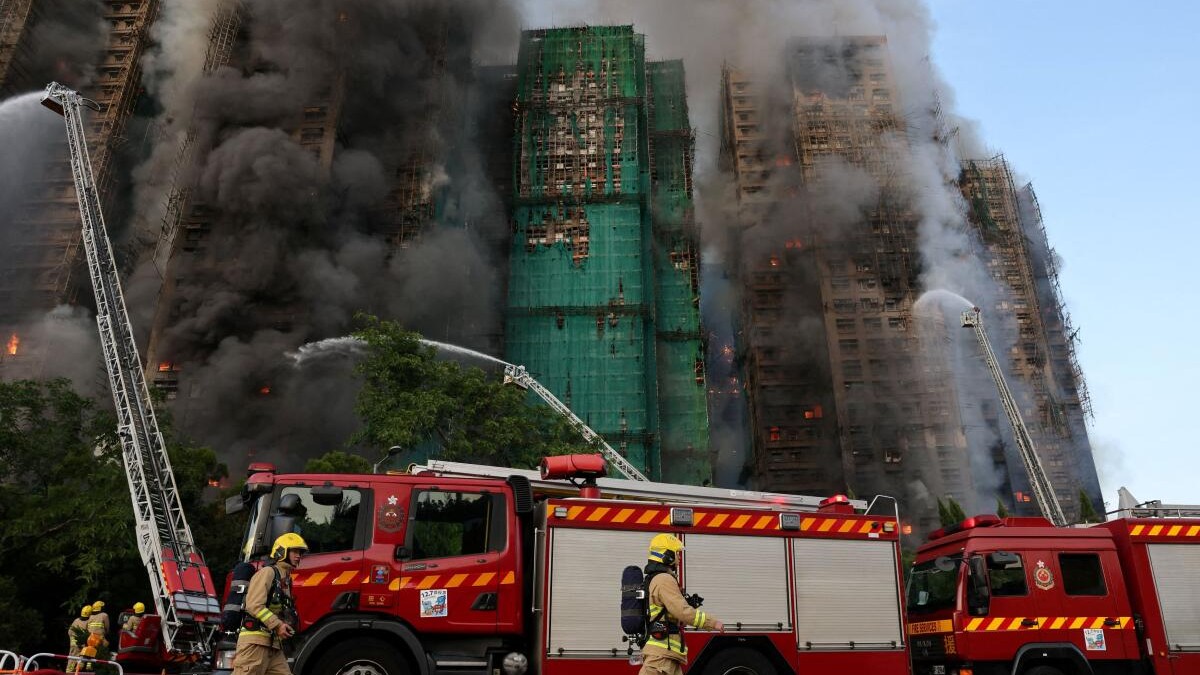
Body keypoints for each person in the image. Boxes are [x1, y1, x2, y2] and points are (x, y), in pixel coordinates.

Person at [639, 534, 723, 675]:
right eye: (676, 553)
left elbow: (670, 612)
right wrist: (712, 622)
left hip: (667, 656)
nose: (679, 558)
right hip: (661, 658)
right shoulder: (664, 579)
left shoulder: (657, 578)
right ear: (666, 555)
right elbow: (682, 611)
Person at [232, 533, 307, 675]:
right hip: (255, 642)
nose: (298, 556)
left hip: (273, 644)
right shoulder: (267, 572)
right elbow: (254, 605)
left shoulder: (285, 579)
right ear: (281, 551)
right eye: (295, 551)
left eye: (300, 553)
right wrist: (278, 625)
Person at [67, 605, 91, 673]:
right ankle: (75, 670)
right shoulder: (89, 621)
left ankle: (68, 672)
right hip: (82, 644)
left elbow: (69, 632)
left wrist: (72, 639)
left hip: (73, 644)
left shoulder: (76, 620)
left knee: (72, 658)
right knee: (81, 658)